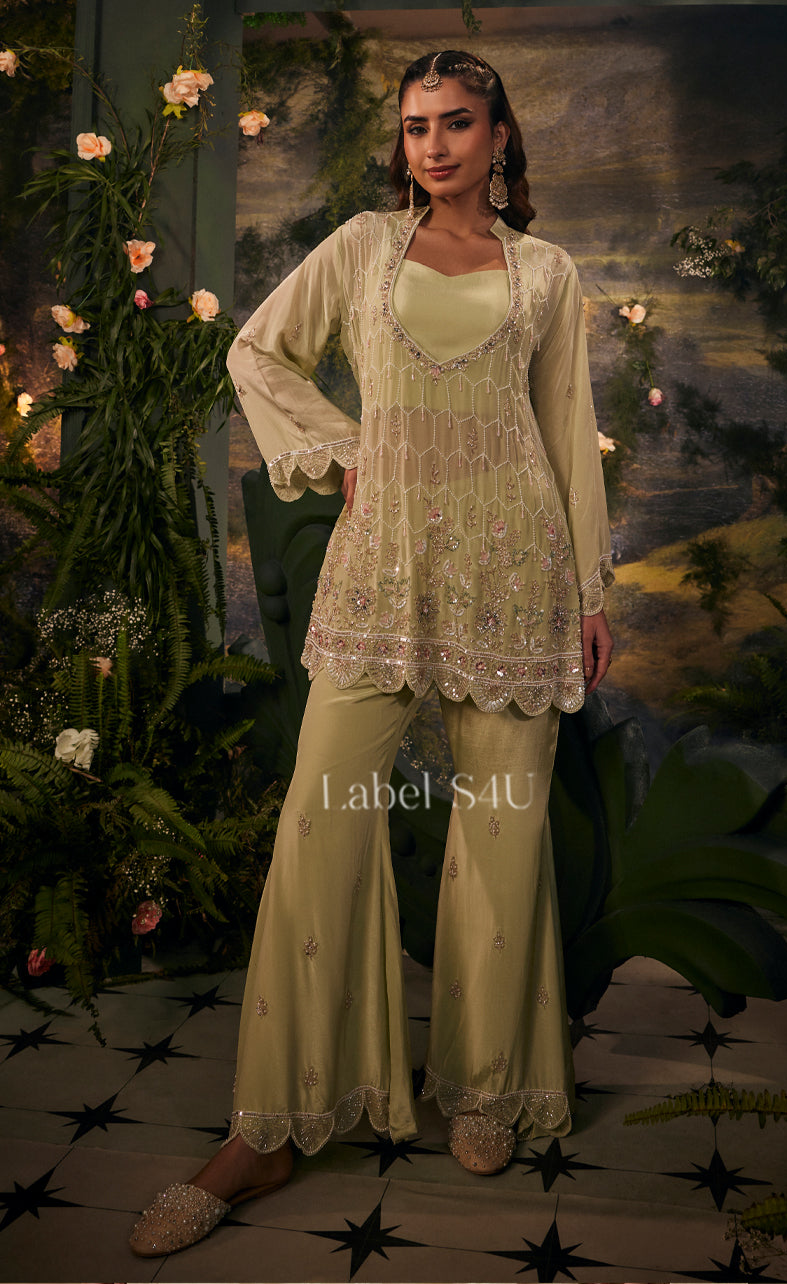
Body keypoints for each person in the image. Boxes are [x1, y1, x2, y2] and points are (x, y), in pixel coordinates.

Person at [129, 48, 613, 1258]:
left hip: (515, 572)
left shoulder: (548, 274)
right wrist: (349, 451)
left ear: (499, 137)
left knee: (501, 830)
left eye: (456, 123)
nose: (432, 145)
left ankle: (486, 1085)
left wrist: (589, 593)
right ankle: (269, 1128)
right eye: (414, 126)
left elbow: (567, 432)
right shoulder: (359, 250)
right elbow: (255, 351)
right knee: (321, 824)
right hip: (383, 573)